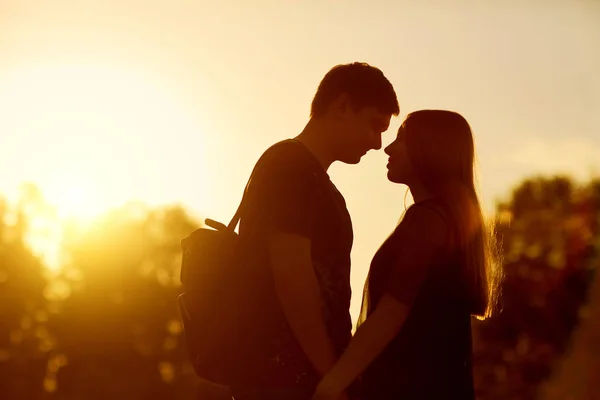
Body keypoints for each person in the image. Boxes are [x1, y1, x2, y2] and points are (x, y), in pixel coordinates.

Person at [228, 62, 400, 400]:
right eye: (374, 125)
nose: (378, 143)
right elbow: (292, 278)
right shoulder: (289, 167)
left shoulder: (310, 177)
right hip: (283, 378)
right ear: (342, 106)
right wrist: (332, 375)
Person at [312, 110, 502, 400]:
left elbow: (392, 310)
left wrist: (333, 381)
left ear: (429, 149)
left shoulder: (429, 221)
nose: (387, 148)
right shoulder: (443, 220)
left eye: (401, 138)